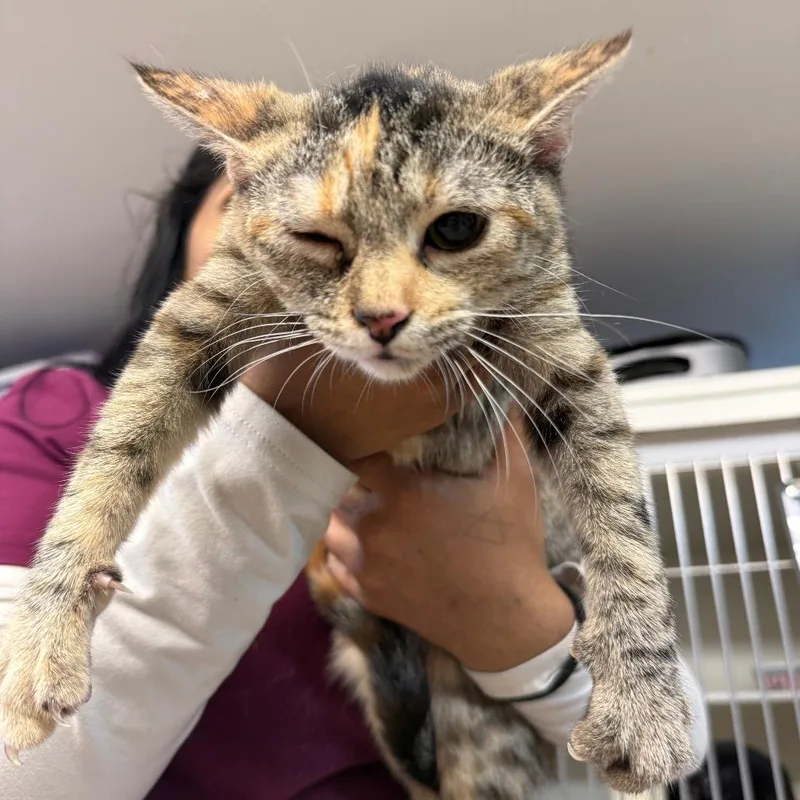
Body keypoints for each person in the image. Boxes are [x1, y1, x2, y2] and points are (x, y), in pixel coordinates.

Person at [0, 148, 707, 799]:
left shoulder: (506, 425)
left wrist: (518, 619)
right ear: (184, 233)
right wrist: (286, 438)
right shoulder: (58, 416)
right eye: (289, 209)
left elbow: (676, 746)